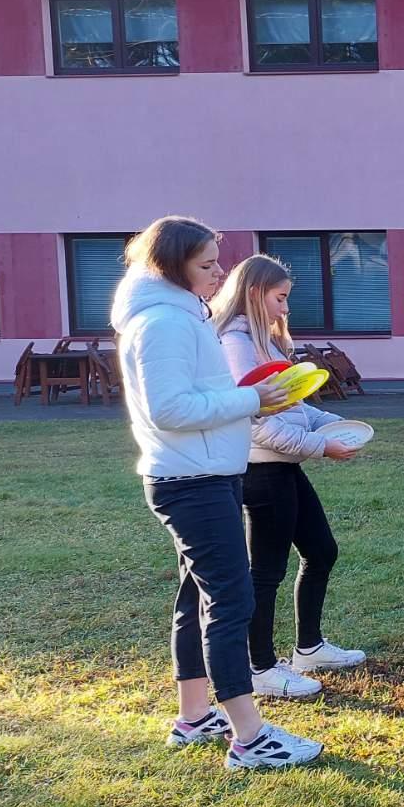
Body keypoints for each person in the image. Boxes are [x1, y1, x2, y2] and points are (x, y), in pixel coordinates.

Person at [111, 216, 318, 771]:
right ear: (170, 266)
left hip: (205, 474)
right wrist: (253, 400)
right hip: (192, 481)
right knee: (231, 601)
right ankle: (249, 738)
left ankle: (195, 716)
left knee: (198, 598)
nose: (219, 272)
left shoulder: (181, 313)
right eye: (206, 264)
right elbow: (171, 409)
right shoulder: (164, 322)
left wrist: (253, 394)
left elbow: (197, 394)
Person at [212, 255, 366, 700]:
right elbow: (256, 422)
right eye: (280, 298)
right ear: (254, 293)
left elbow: (295, 408)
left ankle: (309, 648)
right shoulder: (236, 344)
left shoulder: (267, 343)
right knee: (265, 572)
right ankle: (259, 667)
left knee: (321, 550)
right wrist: (321, 446)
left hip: (285, 467)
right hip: (261, 472)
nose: (285, 309)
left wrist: (334, 426)